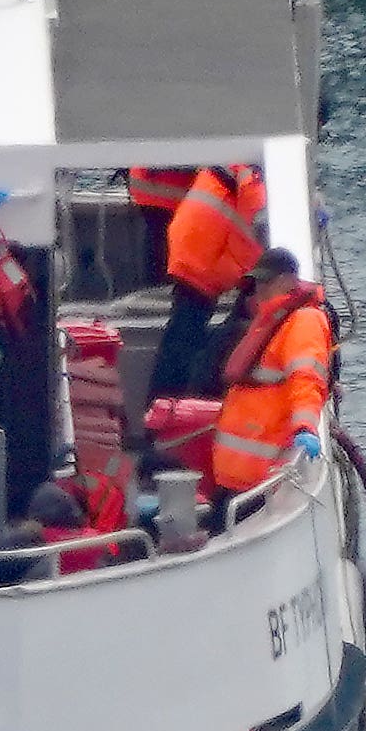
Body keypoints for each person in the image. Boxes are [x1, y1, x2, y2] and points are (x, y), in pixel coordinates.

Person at [210, 249, 333, 502]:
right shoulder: (271, 319)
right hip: (239, 477)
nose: (260, 288)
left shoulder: (303, 321)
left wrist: (305, 428)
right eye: (257, 282)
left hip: (264, 480)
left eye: (267, 281)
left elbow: (307, 379)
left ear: (288, 281)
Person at [150, 163, 267, 399]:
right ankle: (166, 406)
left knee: (183, 335)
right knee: (185, 339)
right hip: (201, 254)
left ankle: (164, 405)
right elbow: (253, 236)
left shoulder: (243, 167)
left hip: (194, 243)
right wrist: (250, 277)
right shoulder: (256, 183)